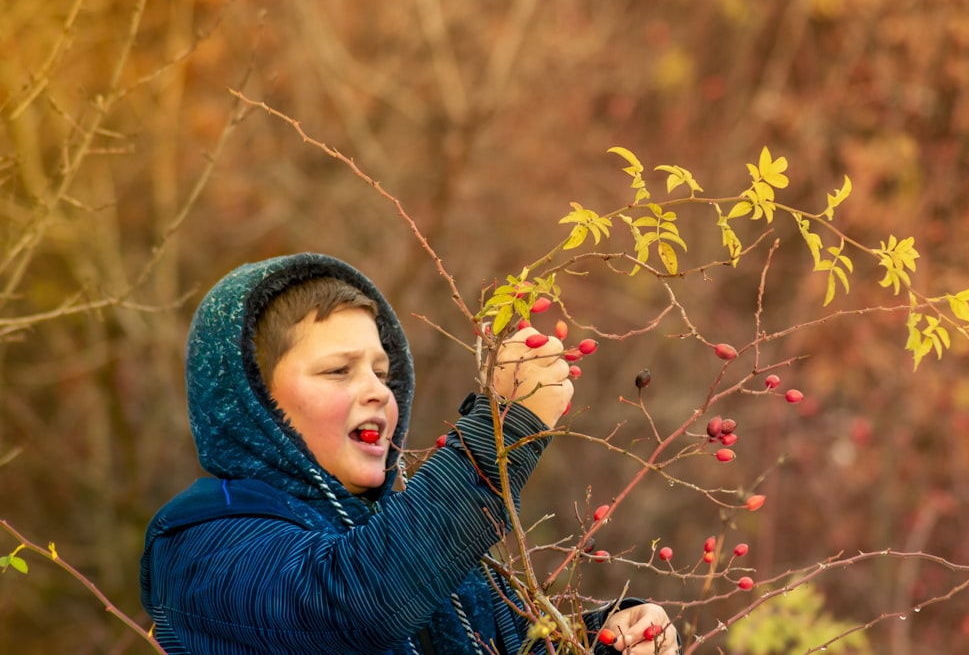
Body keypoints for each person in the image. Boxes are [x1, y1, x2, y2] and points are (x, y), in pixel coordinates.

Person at [140, 252, 681, 654]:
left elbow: (514, 645)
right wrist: (503, 430)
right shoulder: (202, 552)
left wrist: (609, 640)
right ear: (254, 402)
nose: (378, 390)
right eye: (337, 371)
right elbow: (355, 604)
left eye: (381, 371)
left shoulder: (408, 539)